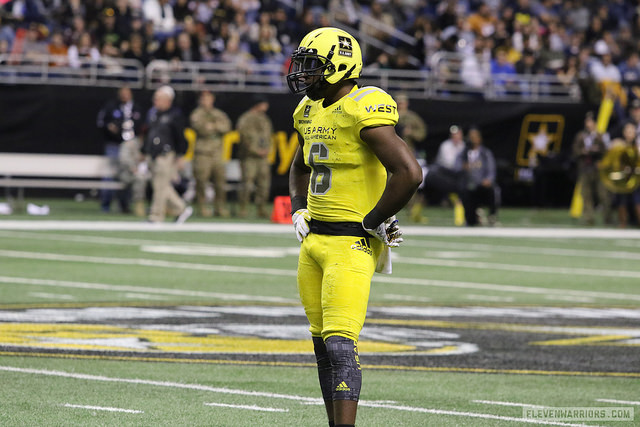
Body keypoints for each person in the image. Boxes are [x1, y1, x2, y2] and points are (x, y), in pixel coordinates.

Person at [286, 27, 422, 427]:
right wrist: (297, 209)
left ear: (340, 67)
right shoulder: (309, 111)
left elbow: (409, 173)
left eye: (313, 67)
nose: (304, 75)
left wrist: (374, 219)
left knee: (341, 346)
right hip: (313, 242)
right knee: (322, 348)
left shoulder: (363, 106)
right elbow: (298, 166)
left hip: (350, 244)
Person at [141, 85, 192, 224]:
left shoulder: (175, 115)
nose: (155, 101)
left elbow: (181, 138)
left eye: (158, 99)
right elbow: (148, 135)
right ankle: (181, 209)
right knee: (161, 186)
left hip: (166, 154)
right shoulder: (153, 114)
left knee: (160, 186)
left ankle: (156, 216)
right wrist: (144, 151)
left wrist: (180, 156)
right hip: (153, 154)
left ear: (168, 100)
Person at [96, 85, 144, 213]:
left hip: (130, 145)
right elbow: (101, 122)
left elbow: (141, 127)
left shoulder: (136, 108)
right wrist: (110, 128)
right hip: (115, 144)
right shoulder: (111, 106)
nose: (124, 95)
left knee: (129, 174)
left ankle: (125, 205)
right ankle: (105, 205)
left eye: (127, 92)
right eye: (122, 92)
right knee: (110, 174)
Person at [189, 90, 232, 217]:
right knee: (201, 182)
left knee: (220, 182)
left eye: (208, 98)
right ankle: (202, 207)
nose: (206, 101)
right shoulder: (197, 114)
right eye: (204, 99)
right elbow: (202, 129)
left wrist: (211, 126)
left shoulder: (219, 113)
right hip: (202, 153)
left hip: (217, 153)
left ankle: (220, 207)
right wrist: (215, 126)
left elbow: (226, 127)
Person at [236, 95, 273, 218]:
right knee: (247, 183)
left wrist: (267, 150)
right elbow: (244, 138)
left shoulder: (264, 119)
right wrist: (256, 151)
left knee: (264, 184)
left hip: (263, 157)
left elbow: (269, 136)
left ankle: (261, 208)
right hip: (249, 157)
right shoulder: (246, 118)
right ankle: (243, 208)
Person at [572, 111, 611, 225]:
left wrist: (598, 153)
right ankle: (589, 218)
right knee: (586, 194)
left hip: (598, 168)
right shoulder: (581, 136)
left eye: (590, 121)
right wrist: (582, 151)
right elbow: (575, 151)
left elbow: (606, 152)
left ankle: (607, 218)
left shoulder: (601, 135)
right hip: (585, 167)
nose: (588, 124)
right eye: (587, 121)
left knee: (603, 194)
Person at [456, 127, 499, 226]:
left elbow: (491, 170)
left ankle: (492, 216)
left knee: (493, 190)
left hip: (482, 185)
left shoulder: (485, 153)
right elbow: (456, 167)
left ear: (479, 139)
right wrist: (463, 167)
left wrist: (488, 180)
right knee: (471, 222)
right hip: (469, 186)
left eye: (474, 137)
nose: (472, 139)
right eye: (470, 137)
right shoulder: (463, 153)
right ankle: (472, 217)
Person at [396, 92, 428, 223]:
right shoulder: (391, 115)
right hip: (391, 151)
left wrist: (411, 133)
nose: (400, 105)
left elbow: (422, 132)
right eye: (398, 102)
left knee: (410, 179)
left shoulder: (412, 117)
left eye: (402, 102)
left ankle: (412, 209)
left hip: (407, 150)